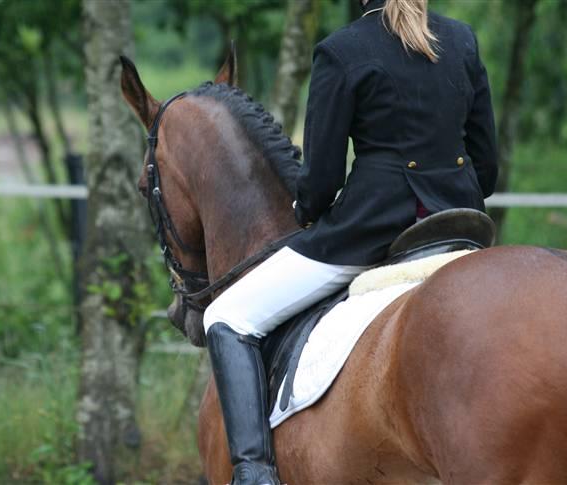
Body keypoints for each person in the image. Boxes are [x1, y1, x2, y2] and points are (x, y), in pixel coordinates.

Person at [203, 0, 498, 483]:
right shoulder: (462, 39)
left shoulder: (341, 51)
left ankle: (253, 472)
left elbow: (320, 179)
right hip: (458, 221)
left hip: (372, 229)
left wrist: (306, 213)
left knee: (226, 316)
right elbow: (486, 166)